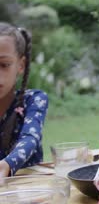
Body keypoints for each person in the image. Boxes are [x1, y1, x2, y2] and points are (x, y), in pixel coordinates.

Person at [0, 22, 48, 177]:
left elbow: (30, 138)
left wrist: (8, 164)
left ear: (21, 65)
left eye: (4, 65)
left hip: (30, 193)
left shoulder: (34, 100)